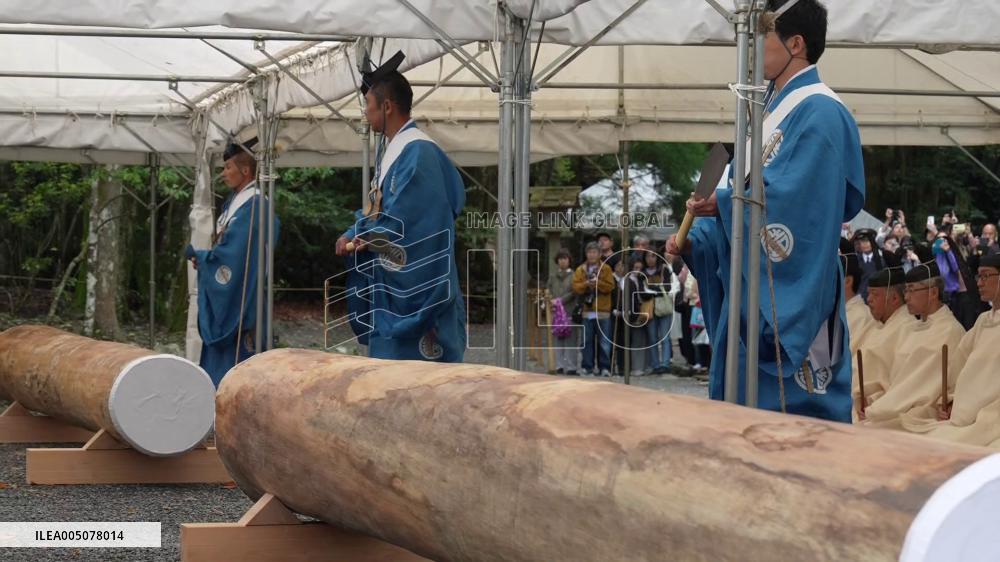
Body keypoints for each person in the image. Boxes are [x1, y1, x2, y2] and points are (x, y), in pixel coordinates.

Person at [667, 0, 864, 422]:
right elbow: (740, 193)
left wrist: (721, 205)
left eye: (764, 37)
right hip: (747, 292)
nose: (755, 49)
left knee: (794, 424)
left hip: (791, 292)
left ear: (796, 44)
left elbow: (800, 201)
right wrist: (697, 238)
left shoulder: (821, 111)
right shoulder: (768, 115)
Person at [335, 51, 466, 362]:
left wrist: (366, 238)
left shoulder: (419, 153)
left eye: (368, 105)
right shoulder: (395, 152)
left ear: (387, 106)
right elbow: (378, 210)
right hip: (389, 290)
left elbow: (413, 223)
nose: (365, 113)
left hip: (416, 288)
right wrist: (352, 232)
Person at [185, 137, 280, 387]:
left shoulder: (256, 206)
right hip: (231, 290)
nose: (223, 173)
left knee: (237, 372)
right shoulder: (235, 204)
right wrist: (206, 261)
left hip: (242, 297)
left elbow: (236, 256)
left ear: (245, 171)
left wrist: (207, 260)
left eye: (228, 168)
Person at [900, 254, 1000, 446]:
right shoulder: (983, 322)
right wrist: (949, 400)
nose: (979, 283)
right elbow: (959, 368)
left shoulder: (953, 329)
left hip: (990, 419)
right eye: (978, 276)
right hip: (963, 415)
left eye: (986, 276)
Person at [859, 262, 965, 429]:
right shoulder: (911, 329)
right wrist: (876, 398)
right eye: (905, 290)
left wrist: (950, 404)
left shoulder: (951, 331)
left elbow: (957, 380)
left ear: (933, 292)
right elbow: (895, 378)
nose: (906, 297)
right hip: (894, 407)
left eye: (911, 290)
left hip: (924, 415)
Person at [853, 267, 918, 421]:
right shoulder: (874, 324)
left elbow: (901, 380)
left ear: (894, 299)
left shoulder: (907, 328)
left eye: (875, 294)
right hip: (856, 401)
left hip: (877, 406)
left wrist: (875, 402)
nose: (869, 299)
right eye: (869, 293)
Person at [573, 241, 615, 376]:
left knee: (604, 342)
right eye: (589, 252)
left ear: (599, 254)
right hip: (587, 310)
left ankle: (605, 367)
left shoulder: (606, 268)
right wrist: (586, 283)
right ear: (586, 254)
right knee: (587, 341)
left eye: (594, 252)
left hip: (603, 310)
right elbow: (575, 287)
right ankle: (587, 367)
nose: (592, 255)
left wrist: (598, 283)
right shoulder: (581, 269)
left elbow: (610, 286)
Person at [643, 250, 679, 374]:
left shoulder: (664, 269)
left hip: (664, 306)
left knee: (665, 337)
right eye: (648, 256)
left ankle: (665, 363)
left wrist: (654, 288)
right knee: (652, 338)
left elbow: (670, 285)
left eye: (653, 255)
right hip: (649, 308)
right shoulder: (642, 272)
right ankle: (655, 364)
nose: (650, 259)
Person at [547, 248, 578, 375]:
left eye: (565, 258)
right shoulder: (553, 276)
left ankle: (571, 366)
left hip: (569, 310)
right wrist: (550, 299)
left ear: (569, 260)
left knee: (570, 339)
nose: (562, 261)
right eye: (560, 259)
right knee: (558, 338)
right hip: (556, 312)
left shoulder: (574, 275)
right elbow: (548, 289)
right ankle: (558, 364)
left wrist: (560, 300)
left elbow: (574, 291)